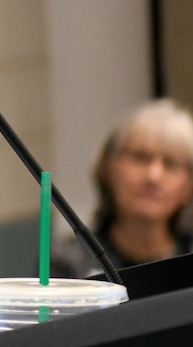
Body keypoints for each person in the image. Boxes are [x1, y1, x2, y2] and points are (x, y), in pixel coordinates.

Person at [50, 99, 193, 278]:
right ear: (107, 167)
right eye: (141, 157)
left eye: (171, 164)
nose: (153, 176)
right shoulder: (69, 262)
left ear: (189, 186)